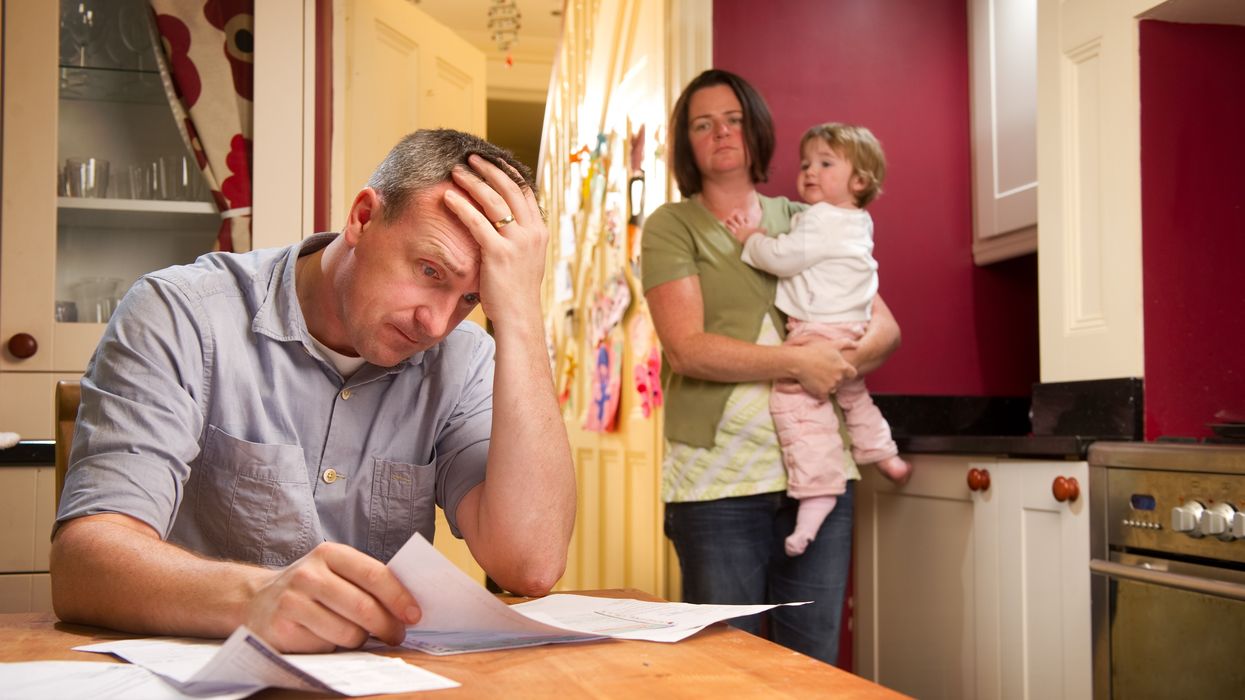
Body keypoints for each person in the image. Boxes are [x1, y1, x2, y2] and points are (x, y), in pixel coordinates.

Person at [50, 129, 577, 653]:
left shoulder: (462, 359)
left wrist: (520, 315)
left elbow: (529, 565)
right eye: (430, 270)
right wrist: (254, 598)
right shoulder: (181, 314)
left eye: (470, 298)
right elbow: (84, 563)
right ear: (363, 218)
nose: (435, 323)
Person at [640, 69, 901, 666]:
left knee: (812, 665)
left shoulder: (809, 215)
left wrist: (834, 363)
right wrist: (797, 361)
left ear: (755, 130)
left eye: (733, 119)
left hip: (820, 475)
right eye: (703, 125)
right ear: (687, 144)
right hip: (718, 485)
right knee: (728, 669)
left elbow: (883, 325)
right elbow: (687, 348)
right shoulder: (672, 226)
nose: (721, 133)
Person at [725, 123, 911, 558]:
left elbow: (783, 258)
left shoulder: (821, 220)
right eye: (806, 163)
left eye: (826, 164)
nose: (810, 171)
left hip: (818, 330)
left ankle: (817, 492)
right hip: (851, 326)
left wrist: (751, 239)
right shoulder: (857, 222)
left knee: (796, 403)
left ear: (859, 181)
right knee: (853, 394)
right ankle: (882, 451)